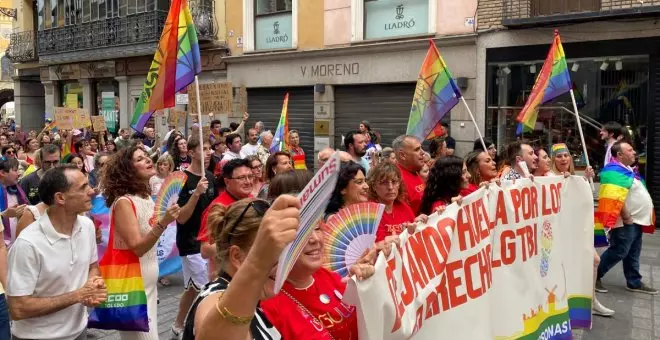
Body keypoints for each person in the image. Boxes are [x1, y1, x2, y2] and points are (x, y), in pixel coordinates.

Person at [7, 165, 107, 340]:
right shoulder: (28, 244)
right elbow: (18, 308)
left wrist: (93, 283)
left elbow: (92, 267)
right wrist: (78, 295)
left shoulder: (87, 226)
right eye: (83, 187)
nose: (91, 191)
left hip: (79, 331)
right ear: (60, 198)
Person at [102, 145, 181, 339]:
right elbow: (137, 247)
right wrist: (163, 222)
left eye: (146, 156)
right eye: (139, 159)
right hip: (133, 284)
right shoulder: (124, 202)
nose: (147, 160)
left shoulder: (146, 197)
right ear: (127, 170)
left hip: (149, 282)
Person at [549, 143, 613, 316]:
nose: (563, 159)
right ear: (552, 159)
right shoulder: (548, 177)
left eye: (566, 155)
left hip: (576, 230)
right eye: (559, 156)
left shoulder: (573, 177)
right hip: (560, 232)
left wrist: (584, 180)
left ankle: (590, 300)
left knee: (594, 261)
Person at [596, 141, 657, 295]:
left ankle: (634, 281)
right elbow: (614, 196)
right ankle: (594, 276)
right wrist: (626, 215)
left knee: (633, 252)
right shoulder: (613, 171)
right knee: (619, 250)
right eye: (630, 150)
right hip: (625, 221)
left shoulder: (629, 170)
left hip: (636, 221)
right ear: (619, 155)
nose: (634, 152)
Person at [171, 138, 217, 338]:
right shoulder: (181, 179)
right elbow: (181, 218)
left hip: (209, 242)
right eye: (203, 148)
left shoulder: (210, 177)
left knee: (192, 288)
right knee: (207, 291)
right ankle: (199, 331)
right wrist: (196, 193)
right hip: (191, 243)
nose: (209, 152)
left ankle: (177, 325)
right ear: (191, 152)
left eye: (210, 149)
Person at [198, 159, 255, 280]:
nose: (248, 181)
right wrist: (241, 246)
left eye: (250, 176)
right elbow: (205, 249)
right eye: (242, 178)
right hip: (226, 277)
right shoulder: (216, 208)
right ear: (227, 181)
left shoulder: (253, 200)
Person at [367, 162, 415, 242]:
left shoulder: (404, 207)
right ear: (374, 186)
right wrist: (403, 235)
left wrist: (421, 223)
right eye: (384, 182)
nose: (390, 187)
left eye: (394, 181)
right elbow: (377, 245)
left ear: (399, 184)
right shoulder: (370, 212)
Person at [392, 135, 425, 214]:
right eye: (417, 150)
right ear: (402, 155)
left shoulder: (414, 171)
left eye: (421, 148)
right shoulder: (396, 179)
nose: (423, 152)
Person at [0, 158, 28, 246]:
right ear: (2, 173)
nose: (19, 173)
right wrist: (3, 215)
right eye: (15, 170)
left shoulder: (17, 189)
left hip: (18, 242)